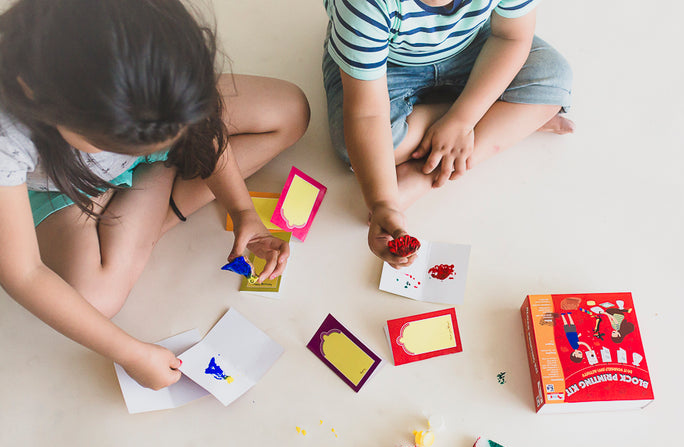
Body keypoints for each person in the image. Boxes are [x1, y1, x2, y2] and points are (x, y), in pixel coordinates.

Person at [0, 0, 310, 390]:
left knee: (290, 112)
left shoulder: (150, 44)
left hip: (149, 113)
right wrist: (130, 352)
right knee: (92, 301)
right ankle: (160, 196)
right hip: (69, 189)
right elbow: (24, 274)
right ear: (42, 97)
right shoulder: (7, 134)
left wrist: (242, 207)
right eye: (111, 143)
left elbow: (206, 127)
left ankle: (150, 205)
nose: (145, 150)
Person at [323, 0, 573, 268]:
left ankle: (427, 171)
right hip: (387, 66)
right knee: (357, 147)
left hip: (473, 47)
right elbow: (367, 115)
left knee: (553, 76)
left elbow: (511, 38)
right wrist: (383, 201)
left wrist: (461, 121)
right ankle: (505, 116)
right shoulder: (364, 5)